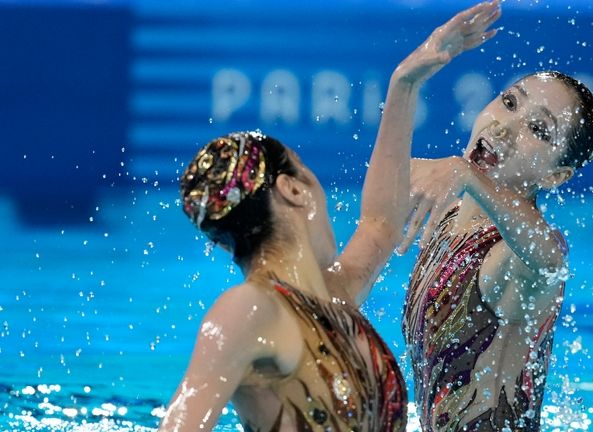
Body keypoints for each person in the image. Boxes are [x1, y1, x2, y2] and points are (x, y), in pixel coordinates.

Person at [158, 2, 502, 431]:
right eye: (307, 171)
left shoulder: (330, 298)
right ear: (293, 189)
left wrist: (405, 83)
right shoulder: (249, 309)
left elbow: (380, 225)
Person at [398, 70, 593, 431]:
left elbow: (549, 259)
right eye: (509, 103)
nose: (504, 128)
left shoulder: (514, 259)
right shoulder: (448, 218)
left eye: (538, 129)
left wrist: (466, 175)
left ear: (555, 177)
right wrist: (404, 82)